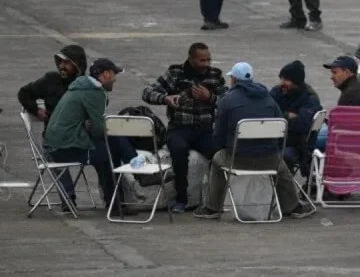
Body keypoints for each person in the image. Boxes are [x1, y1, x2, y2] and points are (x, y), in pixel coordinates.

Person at [193, 62, 315, 219]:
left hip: (237, 160)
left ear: (234, 80)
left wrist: (226, 147)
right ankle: (294, 207)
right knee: (280, 165)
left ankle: (212, 208)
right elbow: (280, 127)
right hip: (269, 160)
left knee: (217, 159)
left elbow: (218, 135)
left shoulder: (226, 101)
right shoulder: (269, 99)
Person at [142, 43, 228, 213]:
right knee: (179, 152)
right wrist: (165, 98)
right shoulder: (175, 73)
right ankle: (181, 198)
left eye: (208, 59)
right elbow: (147, 92)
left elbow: (227, 101)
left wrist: (209, 97)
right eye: (201, 60)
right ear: (191, 59)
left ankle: (213, 201)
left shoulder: (215, 76)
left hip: (204, 129)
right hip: (179, 128)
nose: (206, 64)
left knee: (219, 154)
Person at [44, 58, 136, 213]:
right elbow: (99, 129)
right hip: (63, 148)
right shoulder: (95, 92)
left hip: (55, 144)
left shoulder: (80, 87)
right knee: (109, 153)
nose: (115, 80)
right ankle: (118, 200)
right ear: (106, 74)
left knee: (111, 143)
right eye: (114, 75)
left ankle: (117, 201)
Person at [269, 60, 322, 177]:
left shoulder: (310, 98)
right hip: (274, 139)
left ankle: (284, 189)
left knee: (282, 158)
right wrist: (287, 116)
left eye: (286, 80)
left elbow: (302, 125)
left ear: (297, 82)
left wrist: (278, 118)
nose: (282, 83)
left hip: (297, 144)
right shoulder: (277, 91)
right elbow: (265, 113)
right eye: (281, 78)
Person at [315, 55, 360, 151]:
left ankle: (312, 165)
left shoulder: (351, 94)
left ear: (347, 73)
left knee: (308, 139)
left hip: (354, 141)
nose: (331, 77)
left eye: (335, 72)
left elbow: (342, 128)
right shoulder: (357, 87)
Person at [18, 45, 87, 130]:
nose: (62, 66)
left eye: (66, 63)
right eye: (60, 62)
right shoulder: (51, 80)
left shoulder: (87, 84)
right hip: (55, 137)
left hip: (81, 136)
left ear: (77, 65)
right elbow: (24, 93)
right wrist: (36, 110)